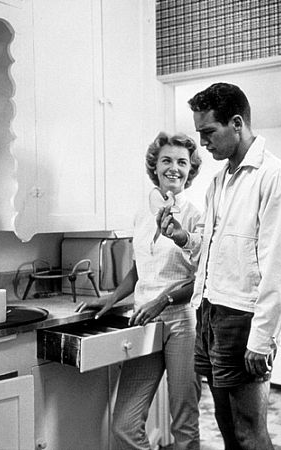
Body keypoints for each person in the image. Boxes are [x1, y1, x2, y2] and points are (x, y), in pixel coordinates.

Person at [157, 83, 281, 450]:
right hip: (211, 312)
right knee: (226, 427)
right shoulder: (219, 181)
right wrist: (182, 237)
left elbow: (280, 267)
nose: (203, 144)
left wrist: (263, 336)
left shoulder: (275, 178)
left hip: (243, 318)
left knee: (249, 432)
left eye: (209, 132)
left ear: (236, 123)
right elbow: (209, 249)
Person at [76, 131, 202, 450]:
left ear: (191, 170)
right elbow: (137, 269)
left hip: (182, 323)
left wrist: (164, 299)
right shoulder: (141, 215)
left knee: (183, 424)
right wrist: (111, 298)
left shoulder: (197, 215)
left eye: (182, 162)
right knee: (124, 426)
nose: (174, 167)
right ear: (154, 167)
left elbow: (202, 277)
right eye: (166, 160)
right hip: (144, 321)